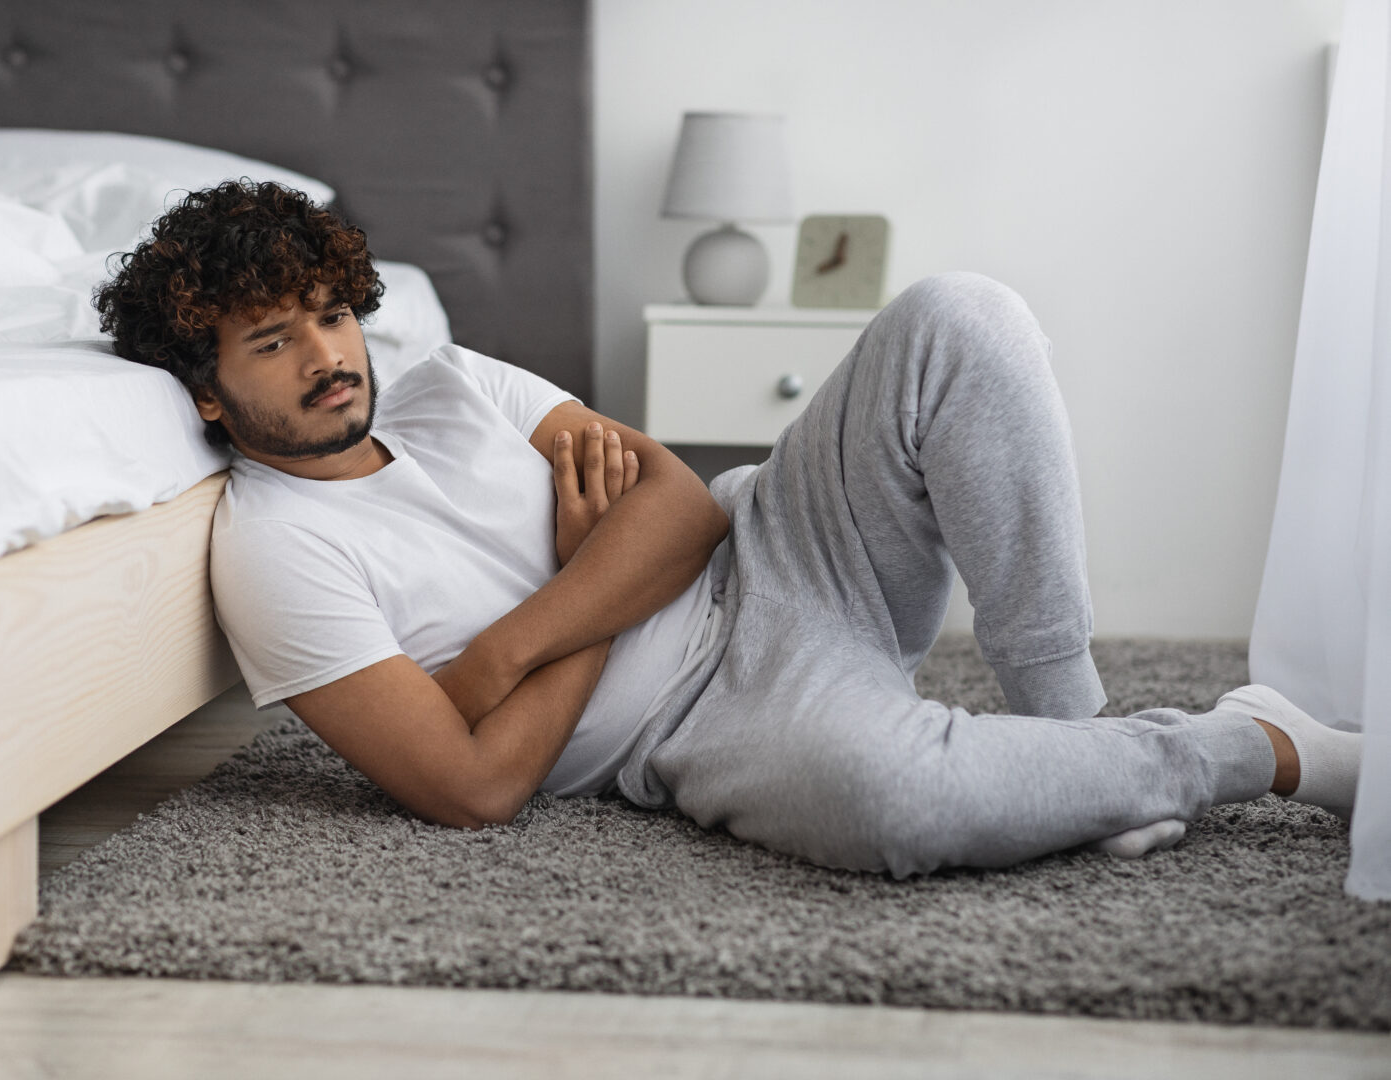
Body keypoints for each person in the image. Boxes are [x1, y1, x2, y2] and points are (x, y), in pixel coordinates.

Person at [94, 180, 1362, 879]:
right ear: (209, 391)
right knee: (892, 808)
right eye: (275, 341)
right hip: (705, 721)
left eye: (331, 314)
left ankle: (1068, 731)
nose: (330, 357)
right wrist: (594, 586)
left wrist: (506, 657)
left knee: (961, 316)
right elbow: (473, 790)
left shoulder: (454, 381)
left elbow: (689, 513)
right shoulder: (272, 549)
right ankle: (1255, 750)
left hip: (786, 544)